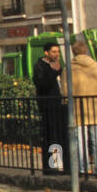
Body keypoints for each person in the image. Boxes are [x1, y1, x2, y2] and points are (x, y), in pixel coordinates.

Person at [62, 40, 97, 176]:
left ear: (73, 52)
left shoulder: (69, 69)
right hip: (95, 108)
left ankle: (82, 169)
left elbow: (64, 90)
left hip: (77, 110)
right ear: (86, 51)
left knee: (80, 142)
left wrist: (66, 101)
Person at [33, 42, 66, 173]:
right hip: (48, 106)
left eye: (58, 51)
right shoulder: (40, 66)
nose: (57, 54)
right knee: (51, 136)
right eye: (54, 51)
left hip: (58, 105)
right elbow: (42, 85)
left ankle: (60, 163)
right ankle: (53, 165)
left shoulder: (58, 66)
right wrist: (54, 72)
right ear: (46, 53)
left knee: (59, 135)